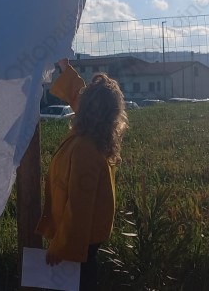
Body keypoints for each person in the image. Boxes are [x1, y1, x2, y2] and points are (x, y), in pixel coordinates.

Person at [36, 58, 129, 290]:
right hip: (82, 238)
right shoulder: (94, 133)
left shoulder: (86, 148)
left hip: (78, 241)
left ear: (88, 109)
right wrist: (64, 67)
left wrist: (61, 246)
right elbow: (78, 94)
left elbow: (79, 206)